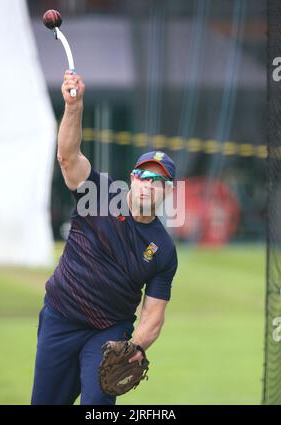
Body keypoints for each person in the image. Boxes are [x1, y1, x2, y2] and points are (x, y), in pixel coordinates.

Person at [31, 70, 178, 405]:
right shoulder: (97, 193)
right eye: (142, 175)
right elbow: (68, 157)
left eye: (157, 181)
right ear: (132, 178)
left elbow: (153, 313)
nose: (147, 183)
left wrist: (136, 346)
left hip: (108, 332)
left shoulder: (164, 250)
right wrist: (74, 106)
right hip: (60, 317)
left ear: (167, 192)